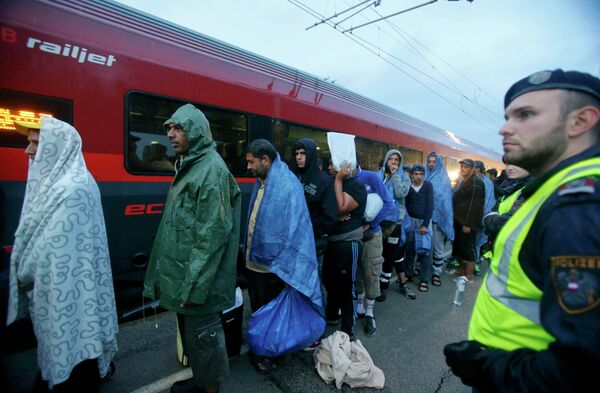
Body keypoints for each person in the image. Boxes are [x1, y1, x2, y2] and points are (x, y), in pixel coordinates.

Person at [444, 69, 600, 392]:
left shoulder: (579, 207)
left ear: (581, 121)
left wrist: (487, 369)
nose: (504, 128)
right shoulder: (554, 190)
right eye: (507, 116)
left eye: (525, 115)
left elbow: (583, 367)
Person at [7, 117, 118, 392]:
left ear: (57, 147)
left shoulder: (72, 190)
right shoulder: (69, 183)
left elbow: (50, 254)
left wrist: (21, 270)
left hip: (70, 307)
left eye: (35, 143)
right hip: (71, 305)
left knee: (73, 370)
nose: (28, 151)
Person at [143, 104, 242, 393]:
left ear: (196, 131)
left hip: (199, 281)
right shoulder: (191, 164)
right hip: (187, 274)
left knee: (204, 336)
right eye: (169, 129)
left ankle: (209, 389)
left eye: (178, 128)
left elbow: (212, 235)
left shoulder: (210, 170)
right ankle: (201, 380)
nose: (170, 135)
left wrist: (194, 286)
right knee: (195, 336)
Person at [244, 139, 322, 372]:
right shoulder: (261, 182)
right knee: (259, 308)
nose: (248, 166)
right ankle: (262, 346)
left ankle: (275, 354)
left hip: (274, 267)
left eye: (251, 162)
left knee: (272, 311)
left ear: (265, 160)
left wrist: (286, 263)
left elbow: (297, 228)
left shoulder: (288, 185)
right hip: (253, 261)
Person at [325, 161, 367, 341]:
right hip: (332, 241)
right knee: (329, 280)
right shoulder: (332, 182)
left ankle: (347, 331)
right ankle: (332, 316)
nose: (328, 168)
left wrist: (339, 180)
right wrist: (335, 214)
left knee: (347, 288)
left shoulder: (355, 185)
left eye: (331, 164)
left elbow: (341, 207)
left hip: (348, 241)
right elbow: (330, 209)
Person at [356, 161, 394, 336]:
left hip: (372, 234)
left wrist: (370, 224)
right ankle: (359, 307)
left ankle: (370, 313)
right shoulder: (341, 180)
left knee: (371, 273)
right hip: (353, 235)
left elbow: (388, 203)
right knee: (356, 272)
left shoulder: (370, 177)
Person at [291, 139, 338, 276]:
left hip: (313, 244)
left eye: (303, 153)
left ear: (310, 154)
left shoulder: (324, 180)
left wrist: (307, 226)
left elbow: (330, 216)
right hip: (293, 242)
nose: (298, 157)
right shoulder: (293, 176)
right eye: (296, 153)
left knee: (313, 285)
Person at [377, 149, 414, 301]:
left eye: (396, 160)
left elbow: (399, 194)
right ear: (386, 160)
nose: (393, 162)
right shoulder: (378, 175)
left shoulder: (405, 178)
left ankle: (383, 287)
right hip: (379, 222)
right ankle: (377, 283)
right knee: (378, 255)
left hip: (395, 224)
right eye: (391, 159)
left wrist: (394, 176)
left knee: (389, 256)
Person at [451, 158, 485, 281]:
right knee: (460, 246)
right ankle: (462, 270)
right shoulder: (465, 180)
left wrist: (467, 224)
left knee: (467, 248)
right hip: (460, 220)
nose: (462, 169)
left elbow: (474, 206)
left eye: (466, 167)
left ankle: (469, 275)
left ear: (472, 169)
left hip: (467, 223)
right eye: (462, 167)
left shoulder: (476, 183)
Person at [425, 152, 455, 287]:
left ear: (438, 163)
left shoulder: (443, 179)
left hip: (437, 220)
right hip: (425, 219)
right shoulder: (424, 175)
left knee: (437, 247)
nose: (431, 164)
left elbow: (445, 200)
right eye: (429, 161)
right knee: (425, 245)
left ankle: (436, 272)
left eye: (433, 161)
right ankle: (422, 268)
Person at [404, 164, 435, 292]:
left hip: (424, 222)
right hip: (411, 221)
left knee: (425, 251)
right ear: (412, 175)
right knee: (409, 249)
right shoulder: (408, 186)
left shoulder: (428, 186)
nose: (418, 176)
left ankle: (423, 279)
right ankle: (409, 274)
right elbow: (405, 204)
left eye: (421, 174)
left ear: (424, 175)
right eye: (416, 174)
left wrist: (425, 224)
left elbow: (430, 205)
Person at [473, 160, 496, 271]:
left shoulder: (488, 183)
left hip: (481, 217)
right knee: (469, 242)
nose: (473, 170)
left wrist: (480, 215)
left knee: (477, 242)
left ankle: (475, 263)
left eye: (475, 168)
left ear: (480, 170)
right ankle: (469, 263)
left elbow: (489, 201)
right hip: (468, 216)